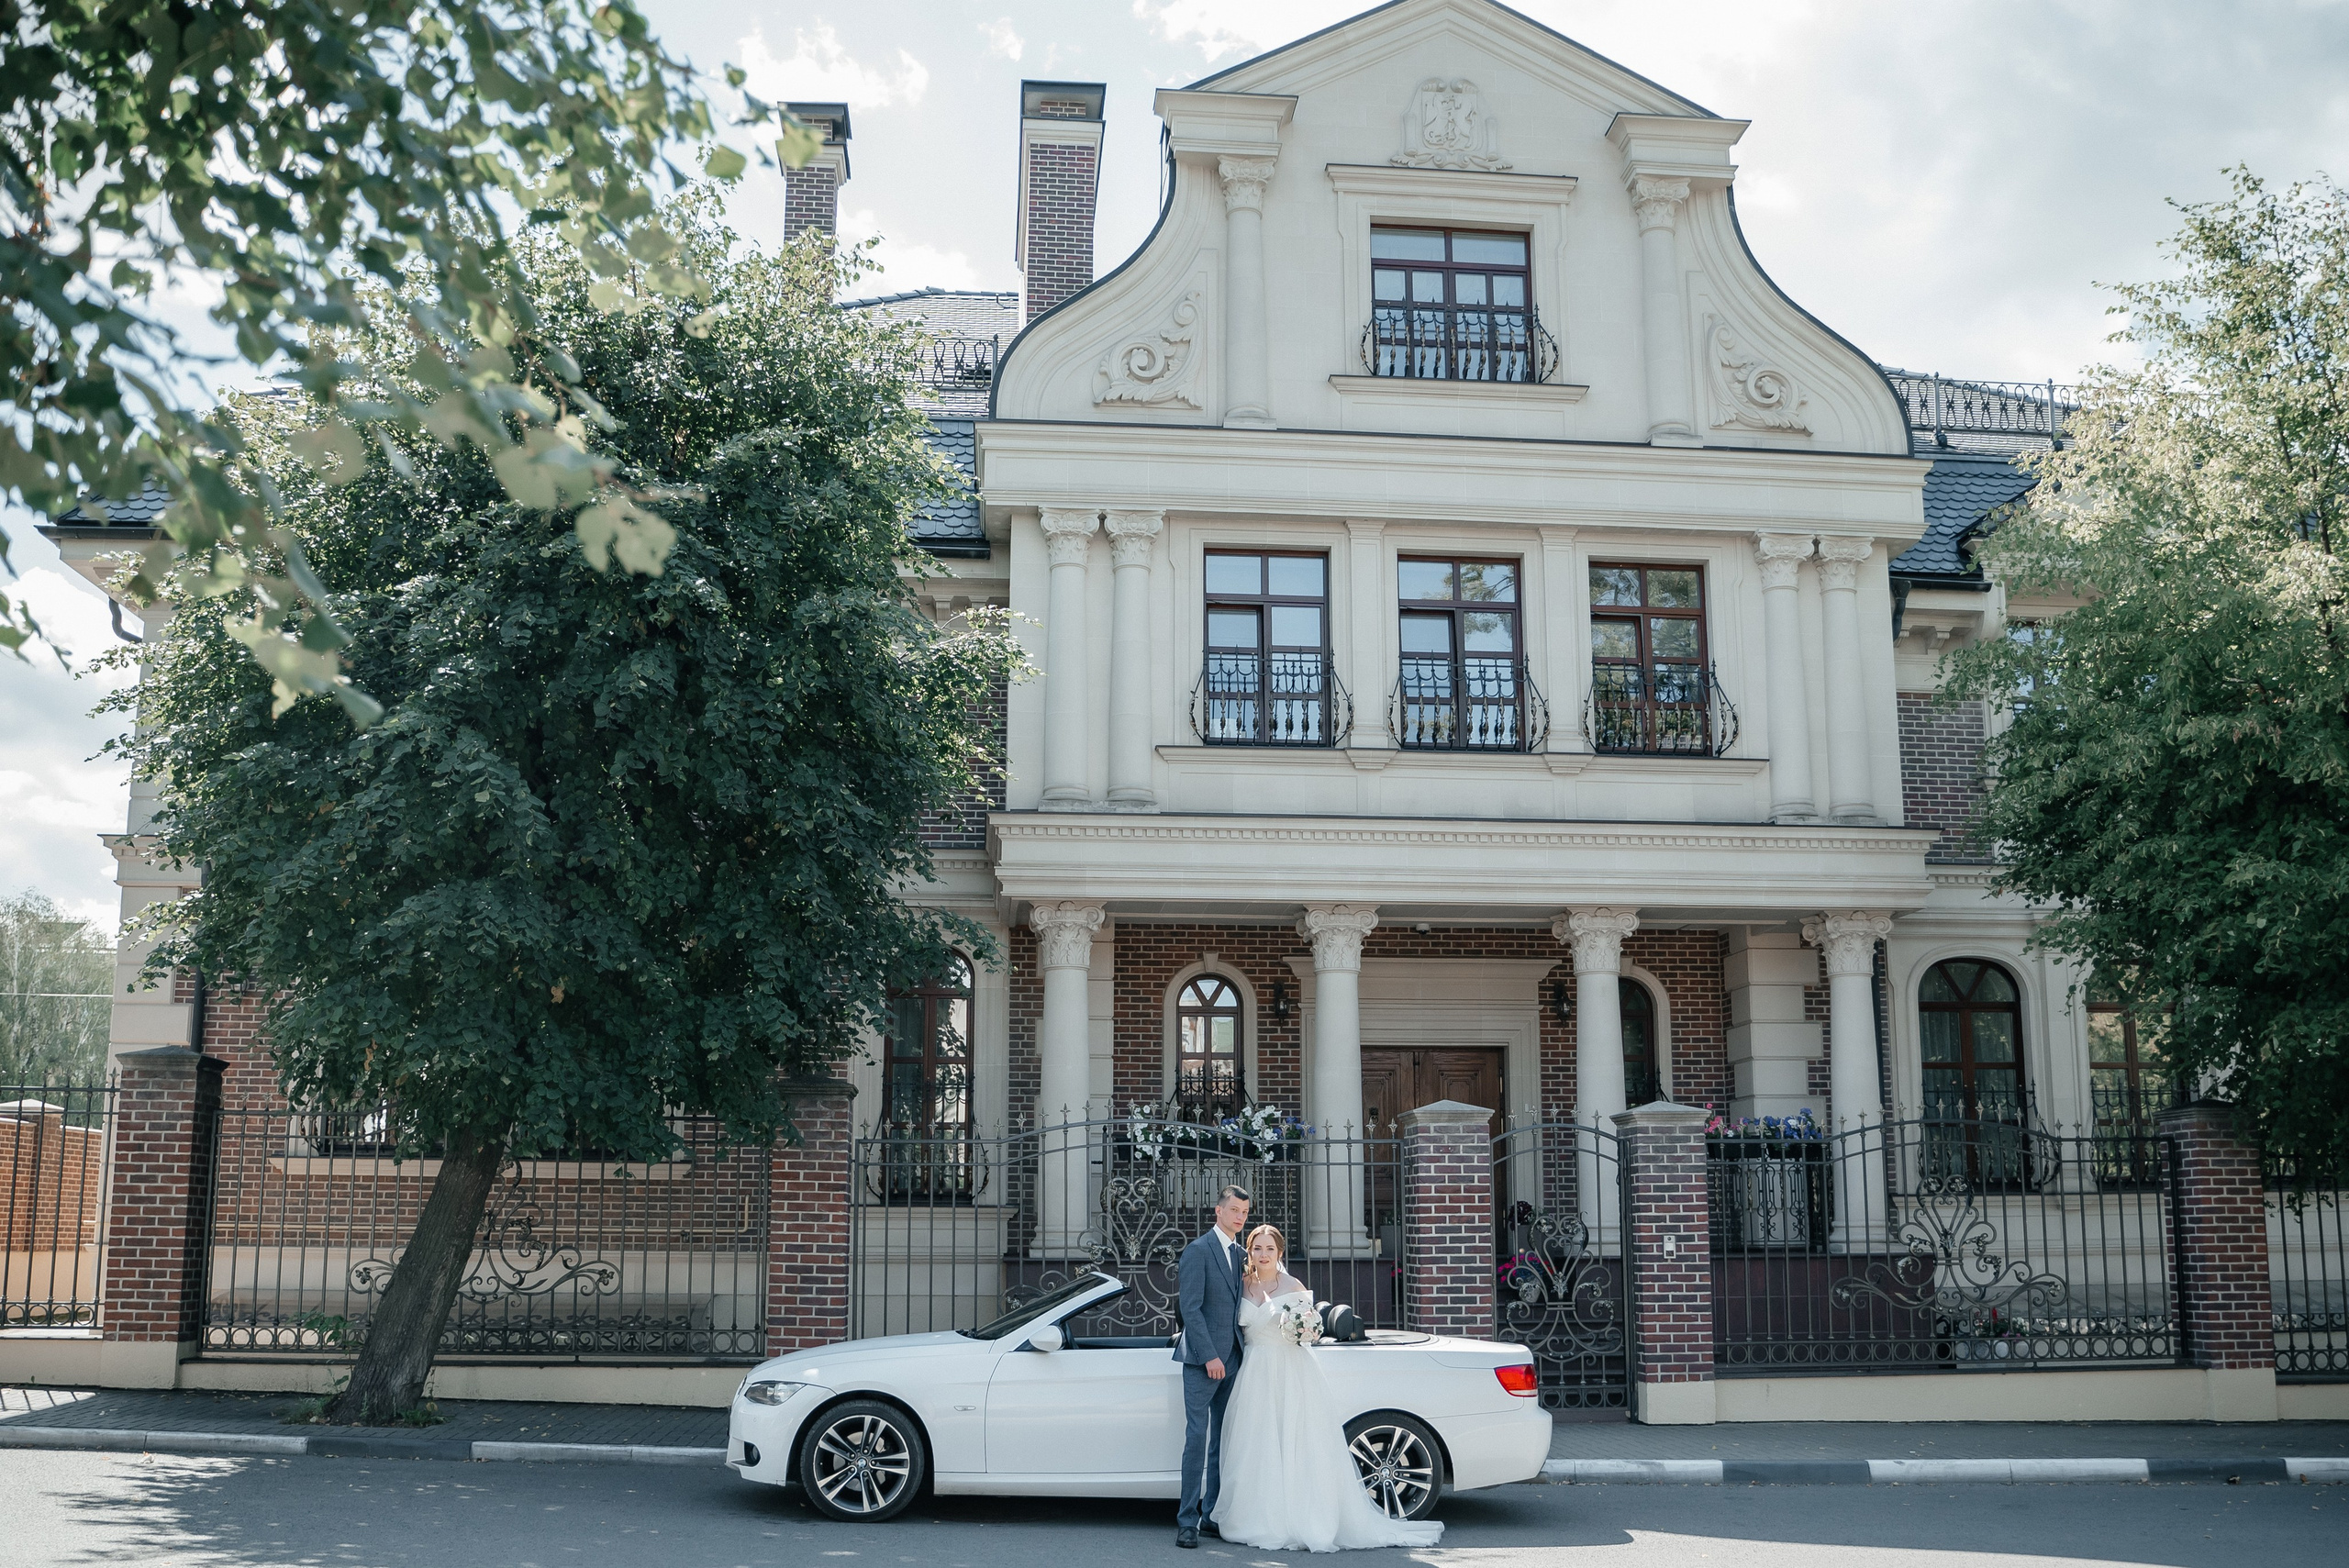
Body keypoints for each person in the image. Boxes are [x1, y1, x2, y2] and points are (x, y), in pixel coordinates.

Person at [1211, 1223, 1445, 1552]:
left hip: (1290, 1370)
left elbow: (1308, 1331)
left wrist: (1303, 1330)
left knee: (1296, 1443)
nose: (1263, 1255)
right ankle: (1256, 1516)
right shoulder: (1241, 1285)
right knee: (1257, 1443)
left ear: (1279, 1252)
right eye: (1257, 1248)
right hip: (1254, 1372)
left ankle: (1298, 1516)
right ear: (1249, 1251)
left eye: (1269, 1249)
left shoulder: (1292, 1284)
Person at [1174, 1184, 1250, 1549]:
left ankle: (1210, 1515)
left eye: (1244, 1212)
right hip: (1203, 1362)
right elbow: (1190, 1309)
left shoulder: (1239, 1254)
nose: (1239, 1217)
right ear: (1218, 1211)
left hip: (1234, 1360)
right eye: (1234, 1209)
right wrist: (1210, 1357)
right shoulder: (1198, 1251)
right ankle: (1186, 1521)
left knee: (1221, 1441)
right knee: (1196, 1439)